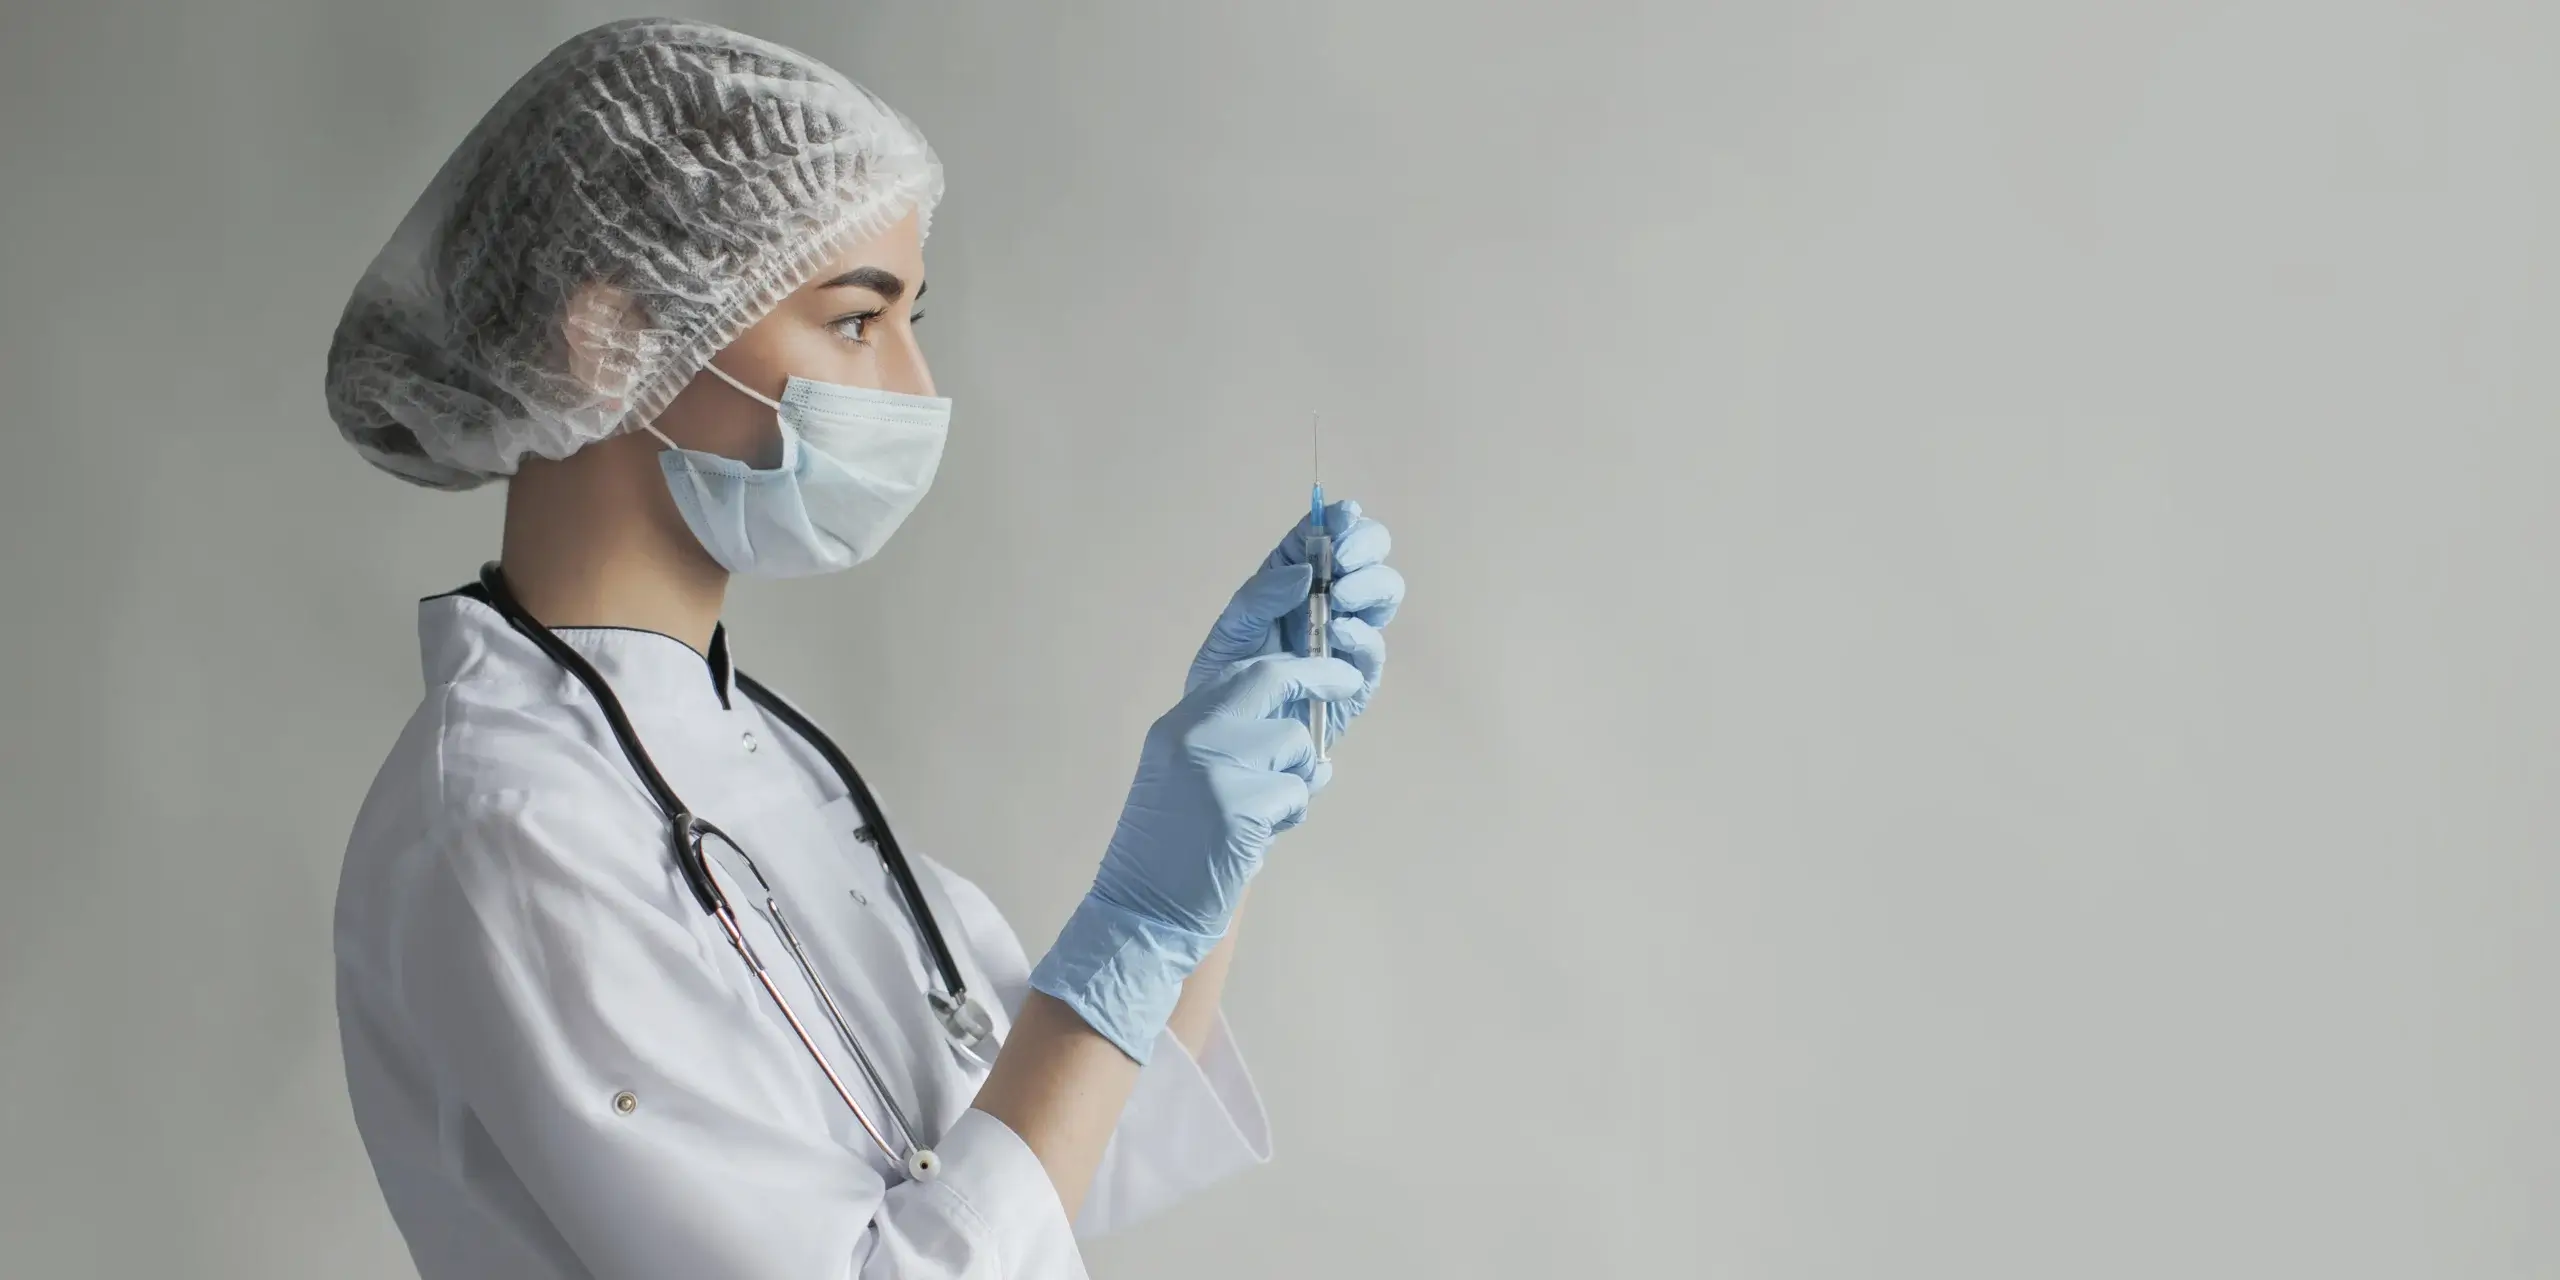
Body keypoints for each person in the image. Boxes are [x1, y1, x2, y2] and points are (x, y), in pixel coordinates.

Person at [321, 19, 1403, 1278]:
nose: (913, 383)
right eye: (853, 322)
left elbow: (1045, 1162)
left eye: (912, 316)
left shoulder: (752, 753)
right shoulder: (514, 823)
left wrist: (1213, 866)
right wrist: (1140, 918)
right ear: (607, 338)